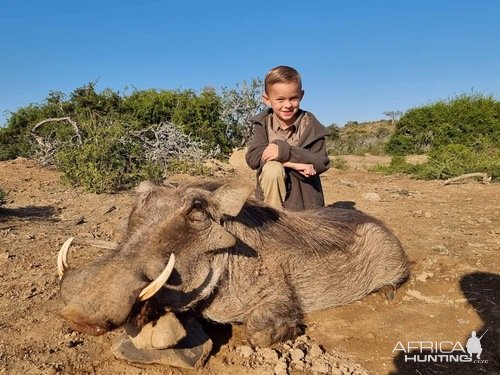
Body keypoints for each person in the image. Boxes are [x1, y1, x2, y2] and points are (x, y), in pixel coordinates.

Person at [245, 65, 330, 211]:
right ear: (267, 99)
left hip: (306, 205)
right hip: (271, 202)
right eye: (280, 99)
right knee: (272, 169)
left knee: (273, 163)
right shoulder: (263, 123)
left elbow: (320, 162)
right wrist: (296, 164)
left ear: (301, 95)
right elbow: (253, 158)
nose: (288, 105)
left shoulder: (311, 125)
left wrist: (283, 151)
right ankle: (273, 219)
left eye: (293, 98)